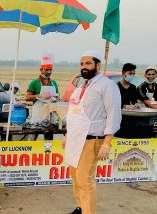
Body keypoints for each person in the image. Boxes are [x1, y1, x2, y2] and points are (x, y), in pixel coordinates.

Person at [64, 50, 121, 214]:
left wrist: (107, 143)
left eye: (88, 63)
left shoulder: (107, 86)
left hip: (92, 140)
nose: (84, 67)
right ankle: (81, 208)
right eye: (82, 64)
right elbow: (74, 112)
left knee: (85, 181)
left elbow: (113, 115)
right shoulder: (83, 86)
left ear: (98, 65)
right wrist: (68, 135)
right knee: (75, 177)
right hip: (75, 140)